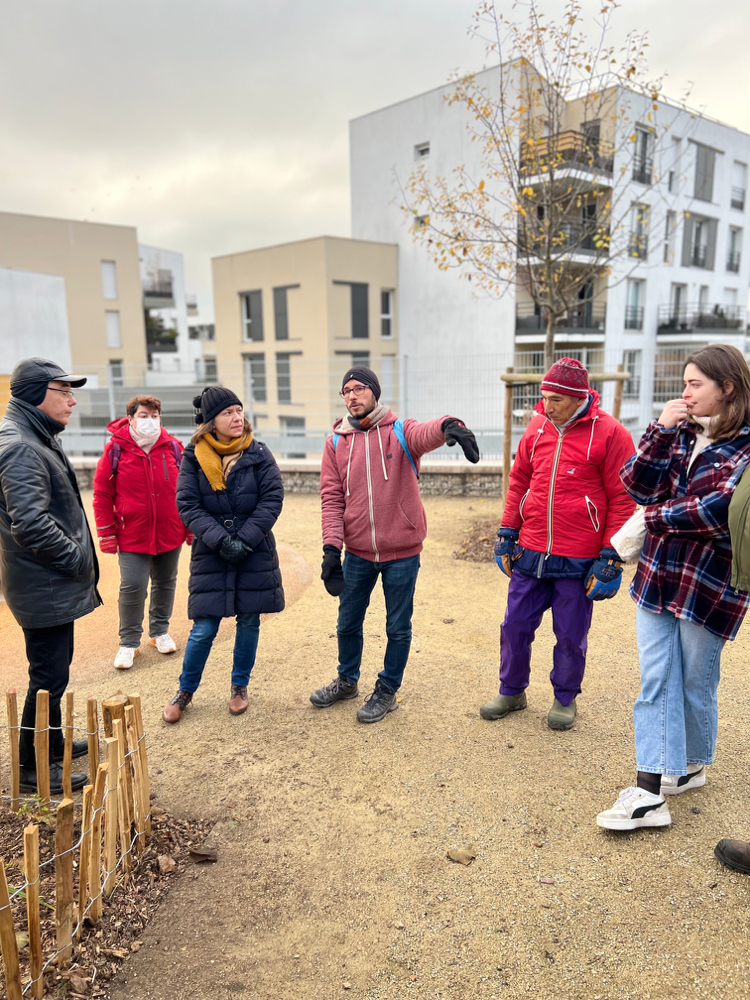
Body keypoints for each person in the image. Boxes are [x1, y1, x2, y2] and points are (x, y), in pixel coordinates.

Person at [597, 345, 750, 831]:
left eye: (694, 384)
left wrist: (654, 519)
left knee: (695, 681)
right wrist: (660, 430)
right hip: (659, 577)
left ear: (727, 387)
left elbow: (716, 512)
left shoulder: (746, 447)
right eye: (684, 383)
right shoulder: (681, 431)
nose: (684, 393)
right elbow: (637, 486)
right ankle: (648, 792)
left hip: (709, 584)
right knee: (656, 680)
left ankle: (692, 764)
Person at [311, 365, 480, 723]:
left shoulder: (399, 431)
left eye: (359, 388)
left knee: (397, 627)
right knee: (346, 623)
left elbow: (426, 433)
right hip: (357, 552)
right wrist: (331, 549)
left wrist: (451, 424)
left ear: (374, 391)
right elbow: (331, 499)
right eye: (346, 391)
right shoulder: (336, 443)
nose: (352, 396)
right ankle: (347, 680)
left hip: (402, 552)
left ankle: (387, 689)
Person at [480, 357, 635, 730]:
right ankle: (512, 690)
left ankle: (565, 698)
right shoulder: (536, 428)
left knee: (570, 634)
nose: (546, 407)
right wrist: (506, 533)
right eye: (544, 397)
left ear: (580, 397)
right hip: (532, 549)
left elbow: (623, 498)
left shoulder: (611, 434)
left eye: (556, 400)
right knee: (514, 625)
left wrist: (612, 557)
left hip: (579, 555)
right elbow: (519, 481)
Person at [0, 358, 102, 793]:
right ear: (37, 393)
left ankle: (52, 743)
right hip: (43, 584)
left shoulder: (33, 435)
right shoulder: (22, 444)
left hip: (45, 583)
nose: (72, 400)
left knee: (54, 673)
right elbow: (31, 524)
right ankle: (30, 769)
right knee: (47, 678)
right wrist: (78, 560)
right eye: (64, 392)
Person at [162, 386, 284, 722]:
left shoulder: (258, 452)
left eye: (238, 410)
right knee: (203, 628)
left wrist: (244, 540)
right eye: (228, 412)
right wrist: (220, 540)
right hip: (211, 553)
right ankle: (185, 691)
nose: (237, 417)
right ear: (211, 421)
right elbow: (187, 504)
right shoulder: (192, 456)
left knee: (248, 621)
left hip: (254, 550)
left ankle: (239, 687)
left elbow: (272, 499)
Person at [93, 395, 192, 669]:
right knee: (133, 585)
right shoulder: (115, 449)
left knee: (166, 582)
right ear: (131, 418)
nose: (150, 421)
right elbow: (102, 492)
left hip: (169, 531)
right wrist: (106, 532)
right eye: (144, 416)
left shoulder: (174, 448)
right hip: (131, 533)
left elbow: (187, 491)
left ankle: (159, 632)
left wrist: (189, 526)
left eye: (155, 416)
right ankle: (128, 642)